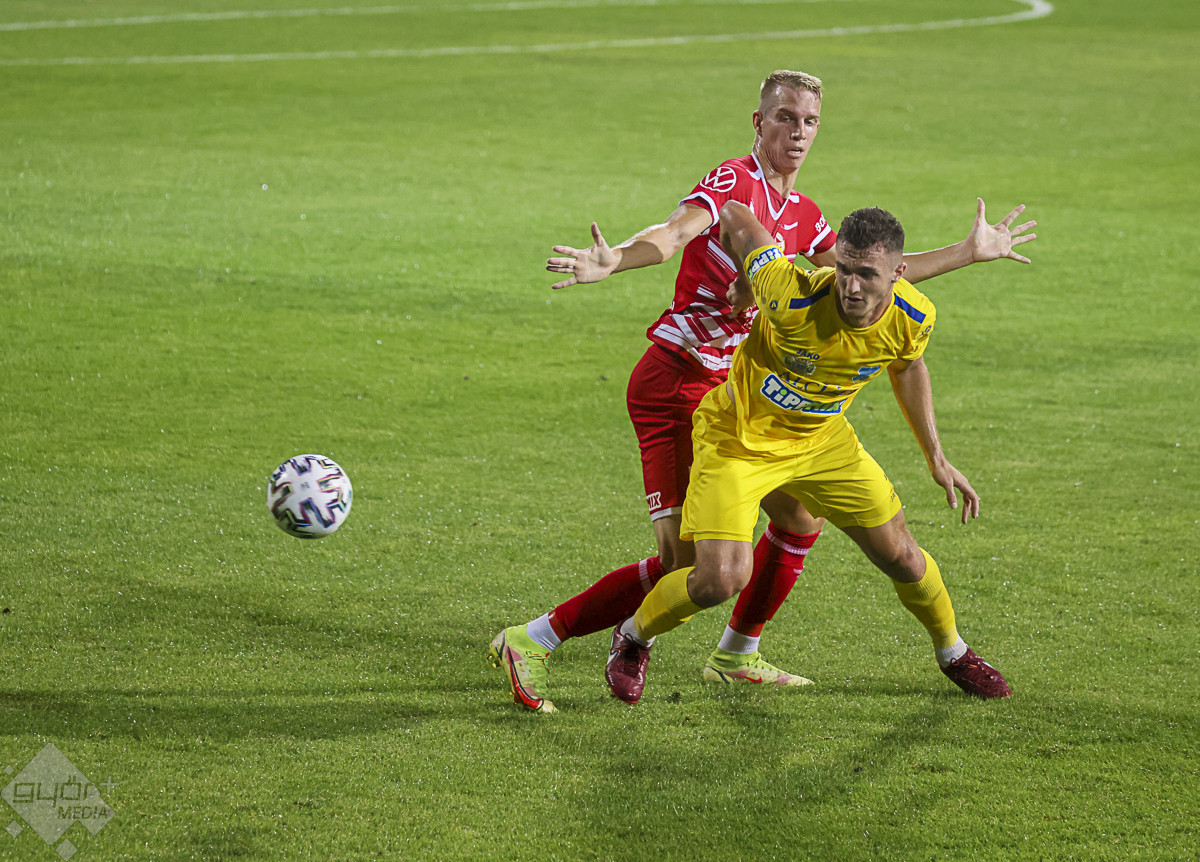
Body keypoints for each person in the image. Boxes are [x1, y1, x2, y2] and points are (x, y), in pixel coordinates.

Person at [488, 70, 1035, 713]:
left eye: (809, 121)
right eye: (784, 117)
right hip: (681, 378)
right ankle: (534, 639)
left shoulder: (806, 215)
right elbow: (675, 233)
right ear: (759, 122)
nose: (797, 132)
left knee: (799, 521)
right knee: (686, 565)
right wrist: (619, 258)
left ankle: (736, 654)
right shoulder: (733, 183)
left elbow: (868, 279)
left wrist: (968, 252)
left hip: (739, 385)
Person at [603, 200, 1022, 704]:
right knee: (717, 579)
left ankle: (954, 653)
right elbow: (733, 213)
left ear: (899, 274)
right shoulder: (789, 293)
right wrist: (747, 276)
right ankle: (634, 636)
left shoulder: (914, 315)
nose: (851, 286)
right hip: (740, 440)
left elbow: (908, 367)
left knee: (903, 556)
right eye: (843, 269)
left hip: (822, 442)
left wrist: (936, 456)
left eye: (867, 275)